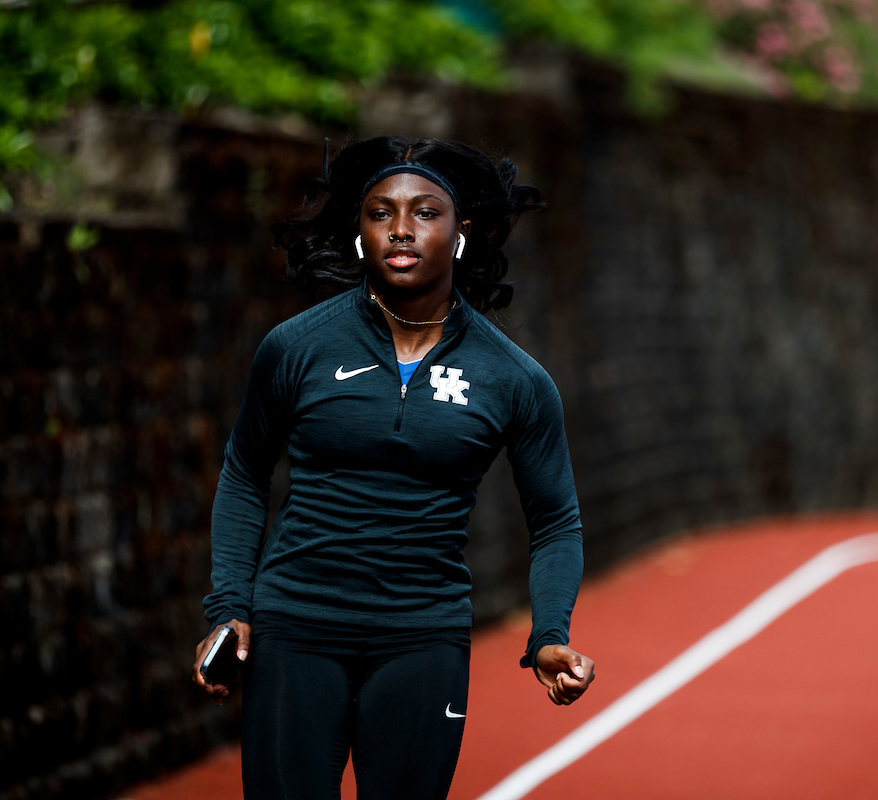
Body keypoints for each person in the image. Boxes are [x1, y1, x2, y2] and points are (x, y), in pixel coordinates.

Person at [190, 135, 595, 799]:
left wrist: (549, 634)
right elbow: (242, 473)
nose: (400, 229)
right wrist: (230, 605)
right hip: (296, 629)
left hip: (421, 638)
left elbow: (555, 519)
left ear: (460, 232)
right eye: (380, 213)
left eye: (424, 212)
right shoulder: (296, 348)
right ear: (359, 232)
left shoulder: (513, 378)